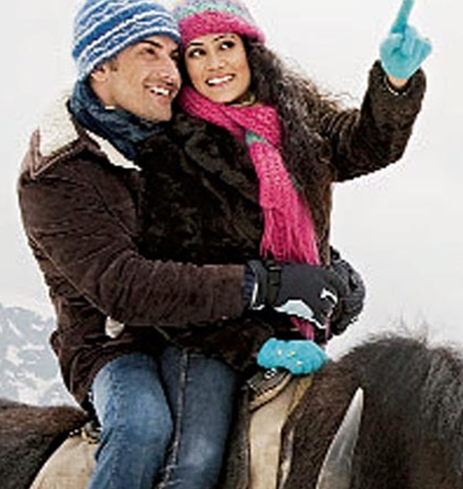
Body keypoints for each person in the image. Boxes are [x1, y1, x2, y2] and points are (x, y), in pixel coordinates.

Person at [18, 0, 354, 489]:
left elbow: (249, 216)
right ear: (101, 67)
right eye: (150, 55)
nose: (172, 71)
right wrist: (266, 287)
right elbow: (123, 287)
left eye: (176, 55)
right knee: (145, 431)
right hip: (118, 345)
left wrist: (325, 276)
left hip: (212, 332)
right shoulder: (60, 172)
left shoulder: (178, 131)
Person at [133, 0, 430, 375]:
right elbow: (171, 280)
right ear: (183, 65)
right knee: (201, 438)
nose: (215, 64)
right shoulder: (170, 148)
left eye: (225, 45)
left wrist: (394, 83)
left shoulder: (295, 112)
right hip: (213, 342)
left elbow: (365, 147)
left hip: (301, 331)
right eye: (197, 52)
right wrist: (259, 346)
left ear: (248, 49)